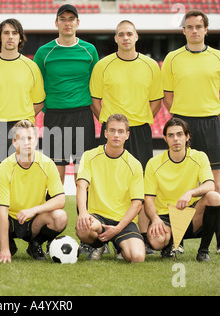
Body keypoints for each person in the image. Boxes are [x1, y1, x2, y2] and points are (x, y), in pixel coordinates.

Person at [161, 10, 220, 255]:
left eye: (198, 26)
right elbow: (167, 96)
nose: (194, 31)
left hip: (209, 123)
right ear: (183, 30)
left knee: (214, 186)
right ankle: (178, 239)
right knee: (179, 184)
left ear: (206, 30)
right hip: (182, 123)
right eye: (189, 26)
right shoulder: (172, 58)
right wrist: (182, 118)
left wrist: (209, 114)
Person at [0, 18, 45, 255]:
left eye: (15, 33)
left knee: (28, 187)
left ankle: (35, 241)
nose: (10, 37)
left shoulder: (31, 66)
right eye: (6, 33)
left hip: (21, 131)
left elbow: (39, 101)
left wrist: (22, 124)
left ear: (21, 38)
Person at [89, 20, 163, 255]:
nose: (125, 38)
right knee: (105, 180)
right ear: (116, 38)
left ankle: (138, 236)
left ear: (137, 36)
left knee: (138, 184)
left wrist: (136, 122)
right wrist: (113, 127)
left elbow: (156, 102)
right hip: (112, 131)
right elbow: (95, 101)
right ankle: (99, 240)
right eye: (121, 34)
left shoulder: (151, 65)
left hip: (139, 130)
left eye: (129, 34)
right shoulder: (103, 65)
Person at [0, 120, 67, 263]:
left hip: (34, 221)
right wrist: (4, 248)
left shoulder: (47, 164)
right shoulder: (5, 166)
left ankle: (35, 244)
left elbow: (60, 200)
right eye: (21, 139)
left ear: (36, 141)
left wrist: (34, 210)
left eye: (30, 138)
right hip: (10, 219)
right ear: (14, 142)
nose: (26, 142)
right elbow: (2, 211)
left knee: (60, 217)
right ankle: (9, 244)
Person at [144, 118, 220, 262]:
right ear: (165, 138)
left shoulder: (199, 156)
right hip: (165, 216)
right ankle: (169, 244)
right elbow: (149, 199)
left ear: (187, 136)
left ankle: (203, 251)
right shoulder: (154, 163)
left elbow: (210, 185)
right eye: (170, 135)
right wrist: (155, 219)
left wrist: (190, 193)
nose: (175, 139)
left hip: (191, 214)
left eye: (179, 134)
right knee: (156, 241)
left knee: (214, 197)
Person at [33, 4, 99, 184]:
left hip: (82, 116)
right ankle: (55, 212)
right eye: (63, 19)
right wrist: (49, 109)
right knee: (55, 176)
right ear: (56, 23)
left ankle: (83, 212)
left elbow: (96, 87)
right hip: (55, 117)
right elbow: (37, 86)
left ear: (78, 22)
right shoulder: (44, 52)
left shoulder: (89, 50)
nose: (67, 23)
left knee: (82, 176)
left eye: (71, 19)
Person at [76, 114, 145, 263]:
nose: (116, 135)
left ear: (127, 135)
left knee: (137, 257)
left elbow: (137, 203)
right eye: (112, 130)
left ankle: (118, 244)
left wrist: (118, 228)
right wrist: (83, 213)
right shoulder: (89, 156)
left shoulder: (135, 164)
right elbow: (82, 185)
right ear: (105, 133)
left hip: (123, 221)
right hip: (98, 218)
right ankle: (99, 244)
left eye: (120, 131)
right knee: (82, 228)